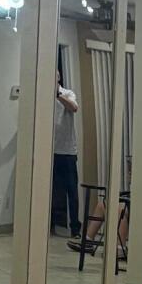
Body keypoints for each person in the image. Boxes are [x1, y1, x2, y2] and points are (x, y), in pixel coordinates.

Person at [52, 83, 80, 237]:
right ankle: (49, 226)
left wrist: (57, 95)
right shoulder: (43, 96)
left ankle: (75, 229)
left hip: (68, 152)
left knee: (72, 192)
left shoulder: (68, 93)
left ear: (58, 78)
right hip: (50, 152)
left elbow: (74, 108)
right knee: (50, 191)